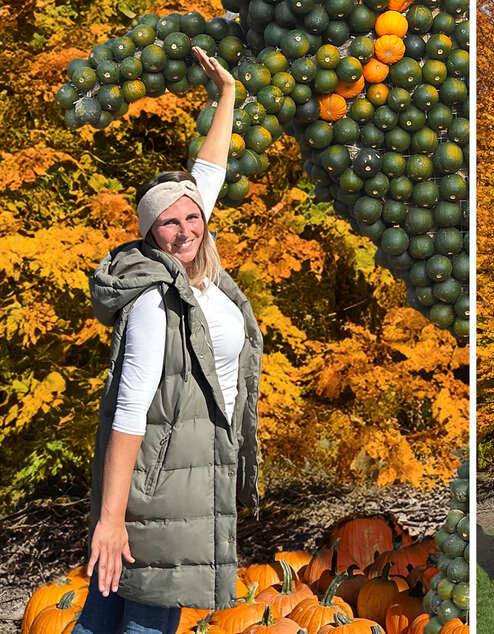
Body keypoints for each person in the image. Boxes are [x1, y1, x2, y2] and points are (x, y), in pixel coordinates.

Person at [74, 47, 263, 634]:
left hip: (192, 464)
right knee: (148, 624)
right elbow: (129, 409)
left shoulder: (200, 270)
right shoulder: (158, 297)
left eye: (192, 217)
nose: (184, 230)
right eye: (169, 223)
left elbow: (208, 170)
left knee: (102, 619)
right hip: (162, 484)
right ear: (150, 234)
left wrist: (227, 94)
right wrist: (110, 519)